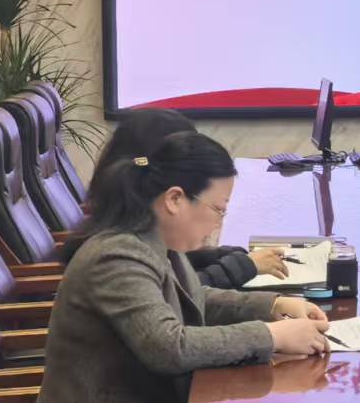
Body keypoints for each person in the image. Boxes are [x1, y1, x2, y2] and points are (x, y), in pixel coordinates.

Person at [31, 130, 329, 403]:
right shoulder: (117, 255)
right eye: (217, 210)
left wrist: (273, 304)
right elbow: (169, 346)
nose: (218, 225)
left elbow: (195, 299)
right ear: (174, 199)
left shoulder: (152, 241)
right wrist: (272, 336)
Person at [87, 108, 291, 287]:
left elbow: (178, 268)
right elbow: (179, 294)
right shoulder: (120, 255)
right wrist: (242, 267)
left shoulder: (135, 220)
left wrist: (224, 256)